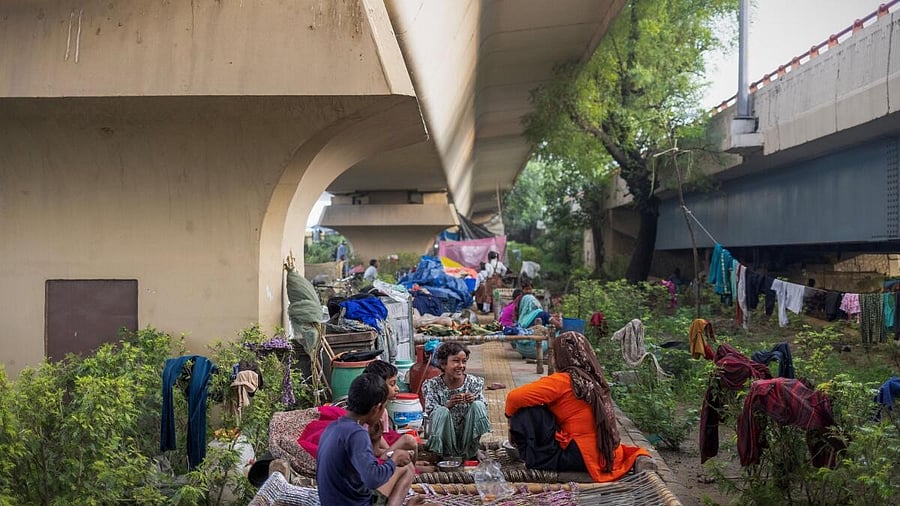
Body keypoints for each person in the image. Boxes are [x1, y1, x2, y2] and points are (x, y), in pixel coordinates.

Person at [504, 332, 652, 482]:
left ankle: (534, 459)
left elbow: (513, 398)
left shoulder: (564, 380)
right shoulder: (593, 378)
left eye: (554, 354)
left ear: (562, 357)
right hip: (609, 454)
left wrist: (510, 421)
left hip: (584, 457)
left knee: (526, 413)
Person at [316, 373, 415, 506]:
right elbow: (372, 479)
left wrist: (376, 442)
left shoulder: (333, 427)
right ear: (376, 408)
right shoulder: (357, 434)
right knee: (407, 468)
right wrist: (394, 460)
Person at [421, 342, 491, 459]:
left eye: (464, 361)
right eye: (456, 361)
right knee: (441, 411)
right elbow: (430, 412)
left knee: (478, 405)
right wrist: (448, 405)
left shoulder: (473, 382)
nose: (461, 365)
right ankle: (443, 454)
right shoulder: (432, 385)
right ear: (443, 364)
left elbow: (482, 408)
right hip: (445, 435)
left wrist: (473, 400)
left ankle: (473, 450)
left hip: (466, 432)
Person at [364, 360, 434, 473]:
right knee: (408, 440)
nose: (397, 388)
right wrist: (393, 453)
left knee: (408, 440)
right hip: (371, 456)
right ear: (379, 385)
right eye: (392, 384)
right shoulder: (373, 411)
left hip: (379, 450)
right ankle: (412, 468)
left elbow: (383, 439)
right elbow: (375, 449)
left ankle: (411, 464)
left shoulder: (383, 411)